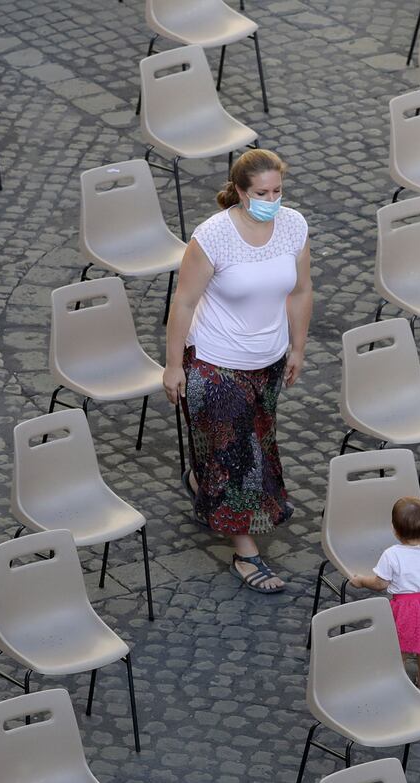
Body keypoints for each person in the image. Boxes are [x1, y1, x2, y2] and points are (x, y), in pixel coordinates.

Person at [163, 148, 313, 593]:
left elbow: (302, 290)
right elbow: (184, 302)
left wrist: (297, 348)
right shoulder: (213, 237)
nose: (272, 199)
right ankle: (246, 554)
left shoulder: (293, 227)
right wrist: (174, 366)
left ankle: (200, 477)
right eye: (262, 192)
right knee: (239, 456)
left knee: (256, 440)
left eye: (278, 191)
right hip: (214, 361)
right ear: (241, 193)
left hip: (266, 359)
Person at [349, 497, 420, 694]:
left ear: (394, 529)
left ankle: (395, 678)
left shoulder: (391, 555)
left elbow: (380, 583)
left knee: (399, 646)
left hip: (404, 609)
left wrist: (361, 580)